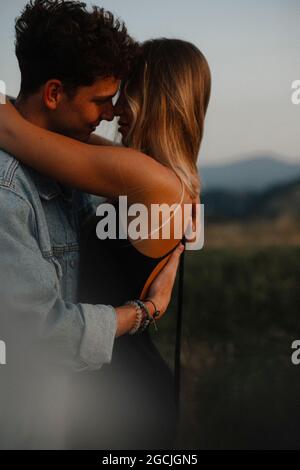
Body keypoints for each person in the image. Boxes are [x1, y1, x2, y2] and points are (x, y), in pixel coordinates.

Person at [0, 0, 187, 450]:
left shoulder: (68, 163)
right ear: (53, 93)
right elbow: (44, 334)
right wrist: (146, 311)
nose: (109, 114)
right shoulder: (7, 193)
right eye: (101, 101)